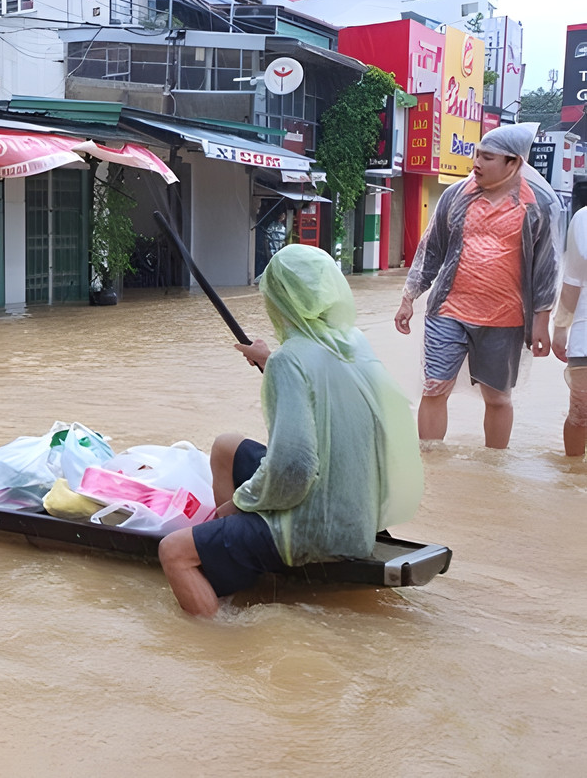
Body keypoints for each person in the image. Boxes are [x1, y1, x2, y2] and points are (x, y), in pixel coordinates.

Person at [159, 245, 423, 617]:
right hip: (358, 517)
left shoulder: (290, 362)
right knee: (226, 447)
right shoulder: (353, 343)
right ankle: (236, 562)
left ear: (280, 300)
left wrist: (240, 504)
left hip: (317, 528)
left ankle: (220, 635)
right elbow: (330, 390)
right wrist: (270, 359)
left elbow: (294, 469)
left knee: (174, 552)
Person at [394, 122, 564, 448]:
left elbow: (546, 268)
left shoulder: (539, 205)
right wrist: (408, 297)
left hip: (506, 318)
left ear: (513, 162)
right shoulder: (456, 196)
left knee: (498, 398)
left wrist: (542, 321)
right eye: (477, 154)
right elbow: (431, 250)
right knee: (434, 387)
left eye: (487, 157)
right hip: (448, 311)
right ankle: (431, 464)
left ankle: (494, 466)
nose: (476, 163)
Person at [552, 206, 587, 457]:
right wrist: (560, 327)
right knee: (580, 412)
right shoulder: (584, 219)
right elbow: (573, 279)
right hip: (585, 334)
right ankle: (573, 472)